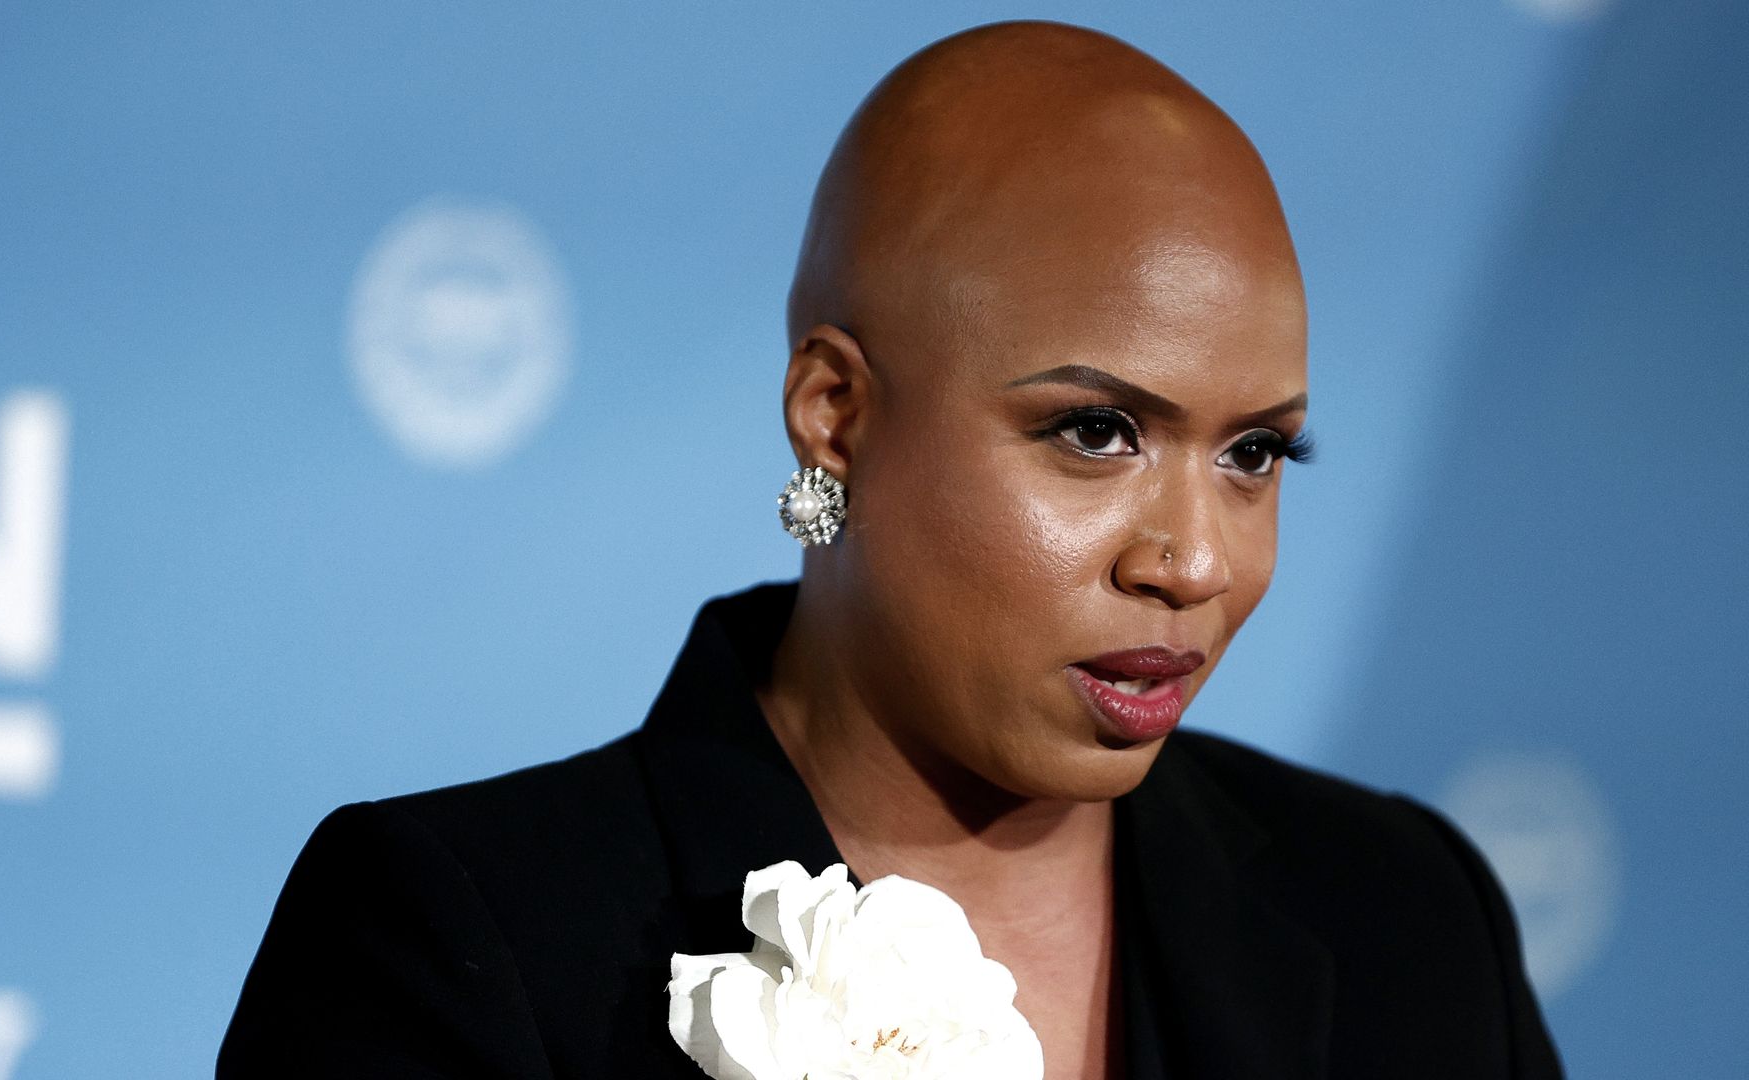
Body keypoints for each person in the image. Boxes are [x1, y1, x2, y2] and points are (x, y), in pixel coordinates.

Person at [219, 20, 1563, 1080]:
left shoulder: (1405, 916)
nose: (1195, 562)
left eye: (1255, 454)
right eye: (1097, 432)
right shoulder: (463, 939)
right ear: (837, 415)